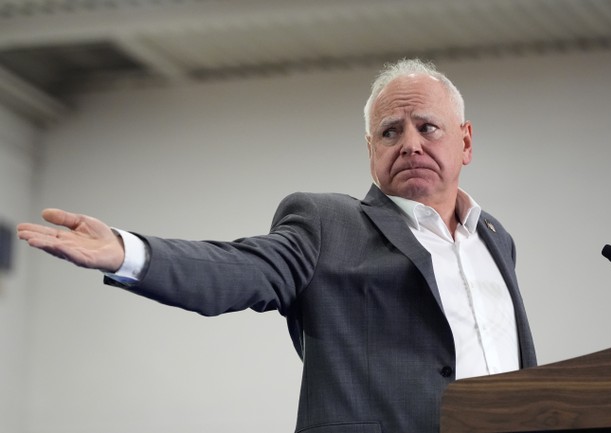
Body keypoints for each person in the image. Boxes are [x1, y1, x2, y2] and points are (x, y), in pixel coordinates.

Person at [17, 58, 536, 433]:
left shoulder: (495, 239)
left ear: (465, 141)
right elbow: (240, 268)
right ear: (370, 149)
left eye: (428, 127)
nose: (410, 144)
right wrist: (129, 253)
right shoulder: (328, 224)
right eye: (390, 132)